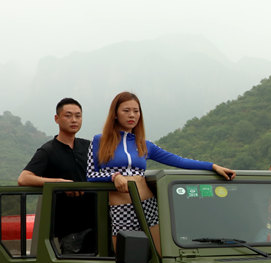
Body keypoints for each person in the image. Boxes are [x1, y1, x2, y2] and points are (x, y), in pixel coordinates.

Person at [87, 91, 236, 251]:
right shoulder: (99, 141)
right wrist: (114, 177)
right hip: (121, 208)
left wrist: (212, 166)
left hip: (149, 205)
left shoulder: (144, 144)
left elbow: (178, 160)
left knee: (160, 255)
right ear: (115, 114)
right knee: (128, 260)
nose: (132, 115)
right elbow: (90, 175)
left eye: (136, 111)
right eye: (126, 110)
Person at [18, 98, 94, 249]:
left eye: (78, 116)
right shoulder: (48, 150)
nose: (74, 120)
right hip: (69, 229)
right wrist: (58, 183)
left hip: (96, 223)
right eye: (68, 115)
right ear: (57, 119)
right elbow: (24, 178)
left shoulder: (89, 147)